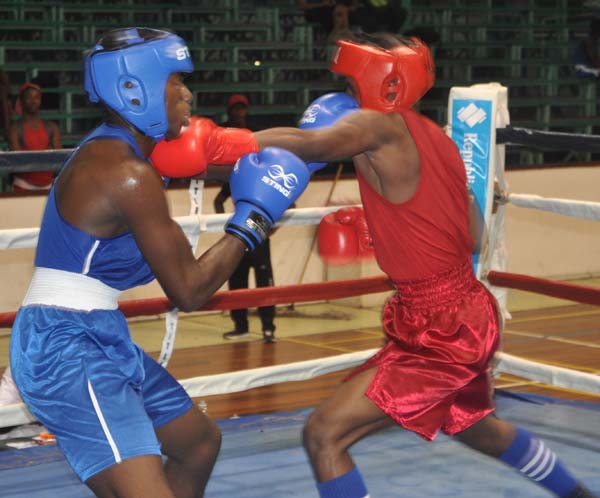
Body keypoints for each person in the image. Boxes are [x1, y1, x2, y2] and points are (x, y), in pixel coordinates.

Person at [255, 32, 597, 498]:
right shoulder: (437, 138)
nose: (348, 98)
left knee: (324, 434)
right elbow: (474, 235)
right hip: (459, 311)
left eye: (352, 86)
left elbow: (308, 144)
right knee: (477, 428)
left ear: (381, 82)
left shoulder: (380, 127)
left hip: (445, 327)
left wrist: (216, 142)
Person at [9, 27, 309, 498]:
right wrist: (253, 220)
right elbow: (189, 291)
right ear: (135, 89)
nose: (188, 94)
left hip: (97, 332)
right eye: (176, 81)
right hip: (64, 346)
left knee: (198, 443)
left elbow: (254, 145)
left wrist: (322, 144)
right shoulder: (125, 172)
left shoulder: (125, 154)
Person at [214, 94, 276, 343]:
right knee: (237, 282)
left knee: (264, 284)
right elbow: (219, 199)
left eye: (243, 108)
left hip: (259, 235)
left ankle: (269, 328)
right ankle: (240, 327)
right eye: (235, 108)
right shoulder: (237, 177)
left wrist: (271, 228)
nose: (239, 112)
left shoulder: (264, 177)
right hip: (240, 236)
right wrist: (227, 228)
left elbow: (288, 201)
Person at [8, 82, 62, 192]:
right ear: (21, 102)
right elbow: (19, 161)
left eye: (37, 97)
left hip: (48, 186)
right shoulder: (14, 129)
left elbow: (58, 159)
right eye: (29, 97)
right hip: (23, 186)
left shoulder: (52, 128)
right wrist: (46, 155)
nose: (34, 101)